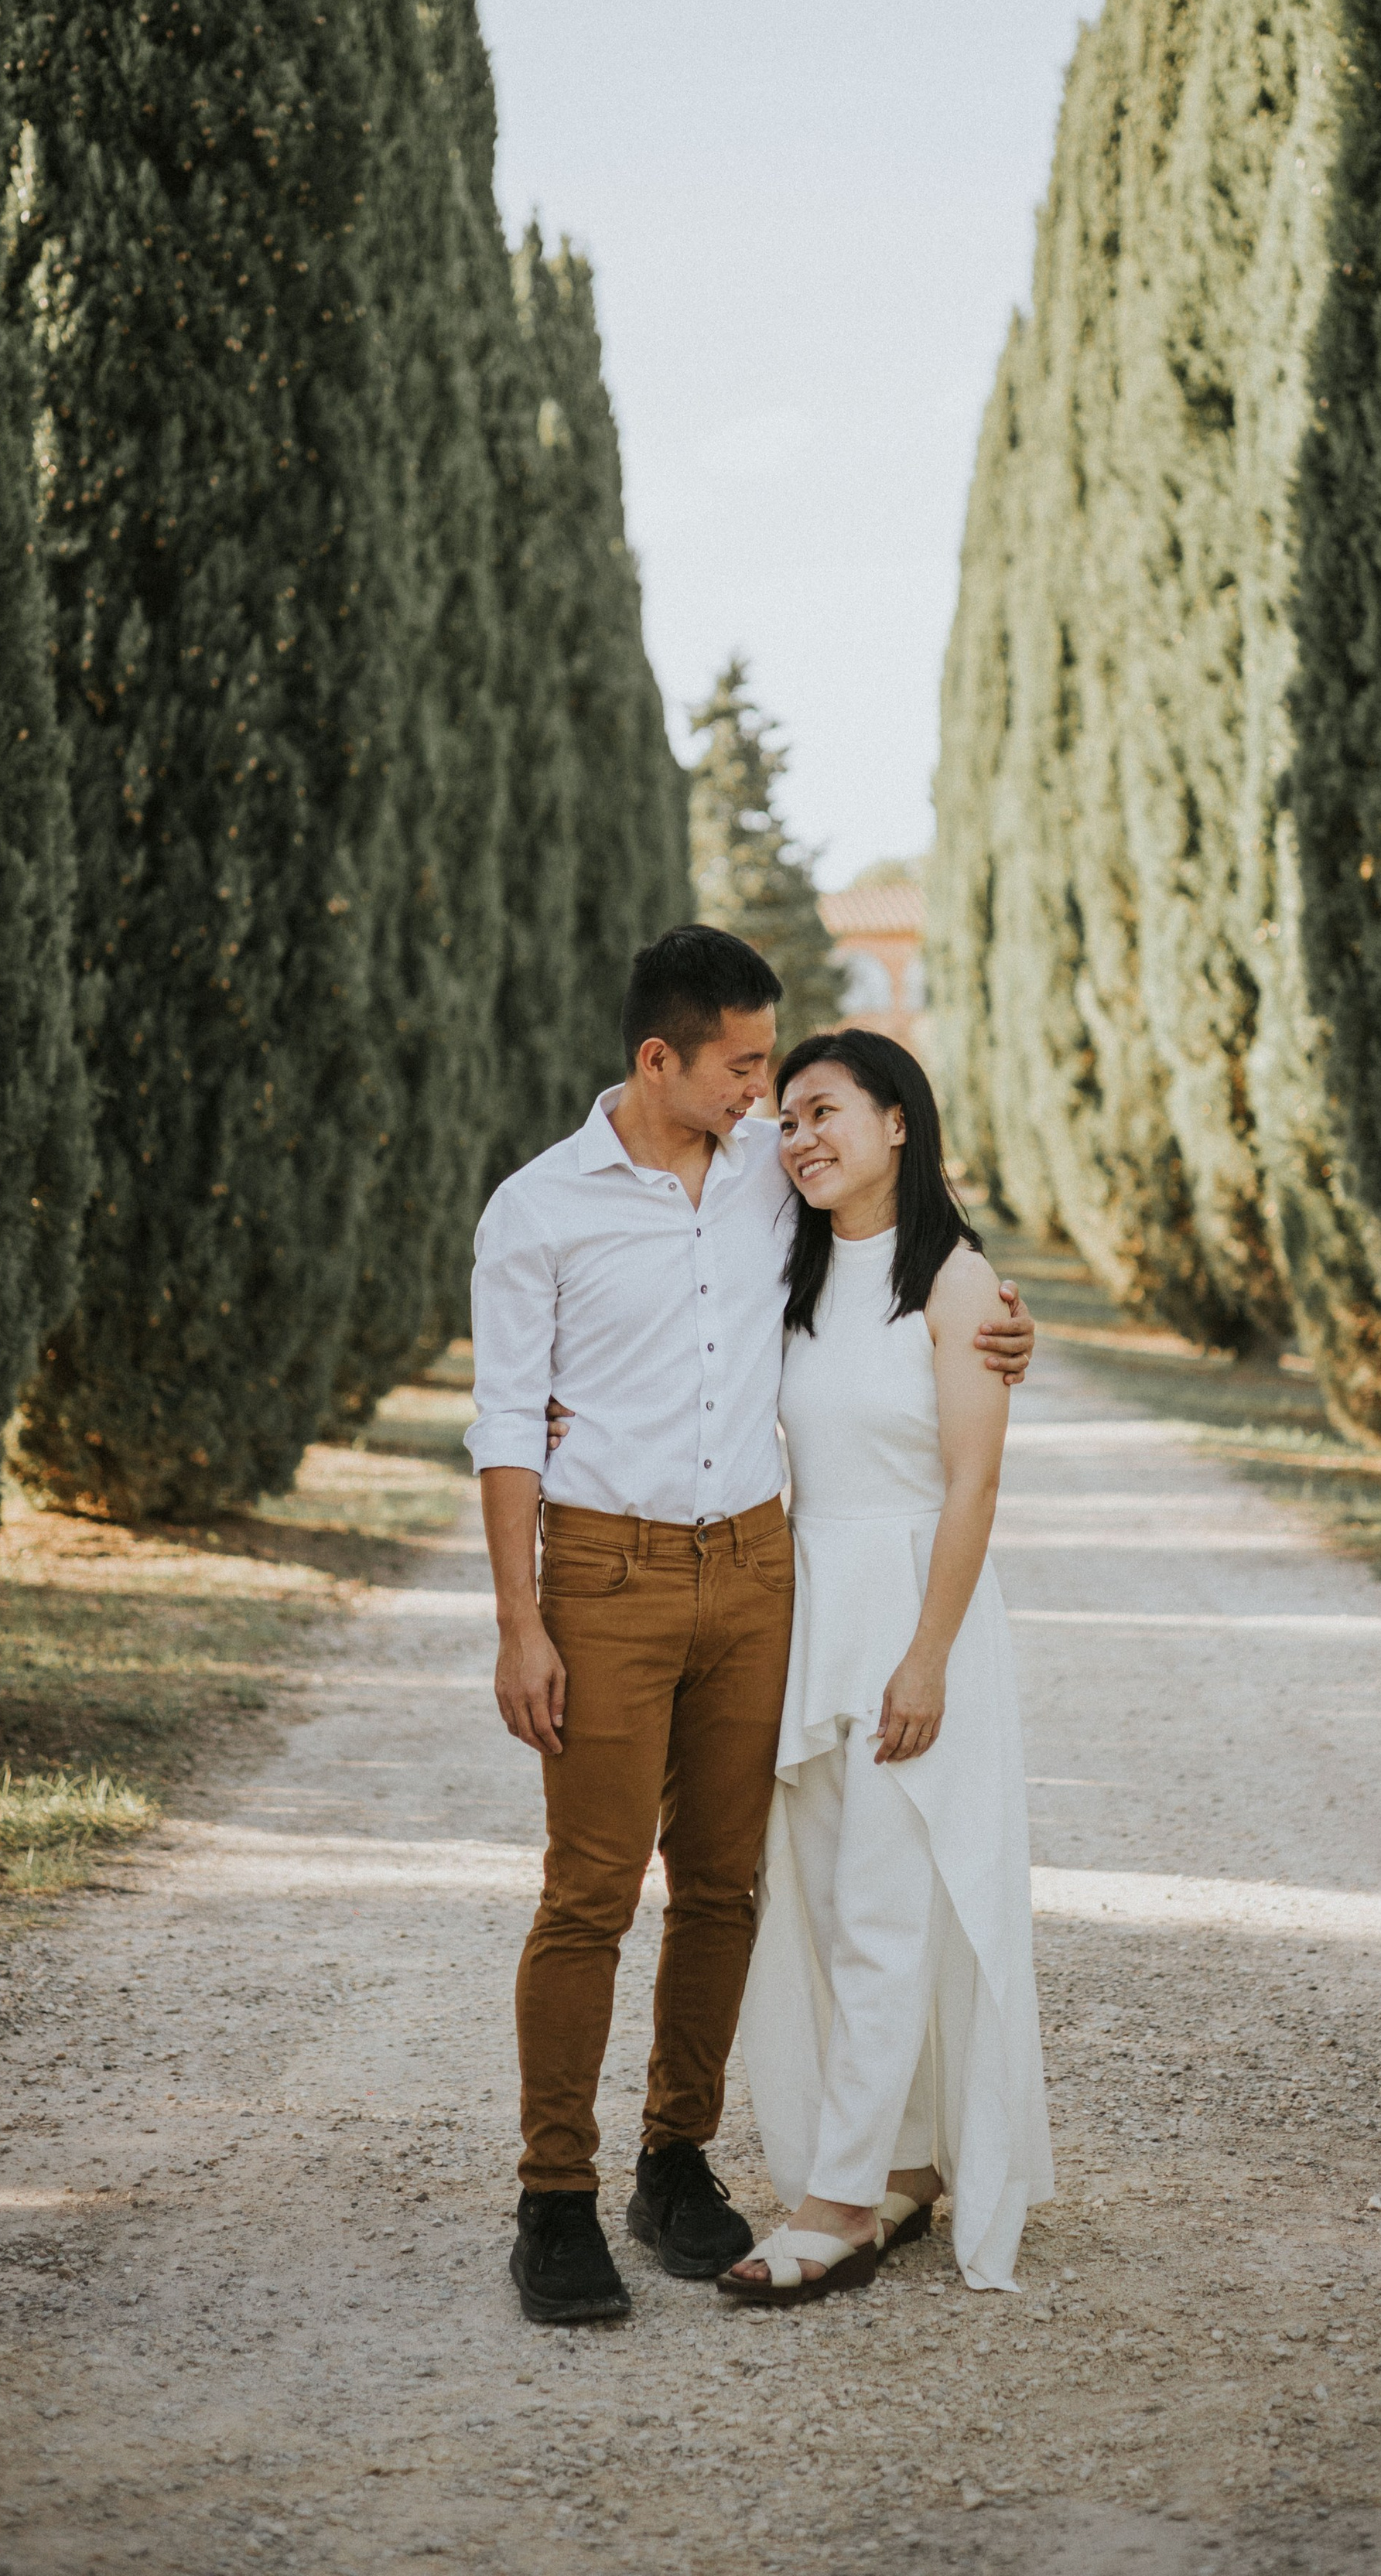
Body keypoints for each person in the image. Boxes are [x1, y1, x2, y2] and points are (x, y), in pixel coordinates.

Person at [466, 926, 1037, 2325]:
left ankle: (674, 2158)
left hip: (760, 1579)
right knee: (591, 1888)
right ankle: (554, 2196)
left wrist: (998, 1313)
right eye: (743, 1067)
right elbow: (502, 1427)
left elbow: (898, 1260)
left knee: (727, 1885)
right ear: (658, 1060)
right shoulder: (536, 1210)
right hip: (603, 1575)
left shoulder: (769, 1193)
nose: (766, 1099)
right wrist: (519, 1622)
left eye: (778, 1073)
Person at [723, 1029, 1051, 2306]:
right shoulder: (790, 1273)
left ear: (898, 1121)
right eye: (785, 1120)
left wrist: (930, 1657)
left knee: (884, 1906)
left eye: (825, 1112)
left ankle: (839, 2203)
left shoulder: (959, 1286)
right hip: (812, 1613)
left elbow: (974, 1485)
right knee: (814, 1900)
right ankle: (907, 2161)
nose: (800, 1138)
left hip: (919, 1619)